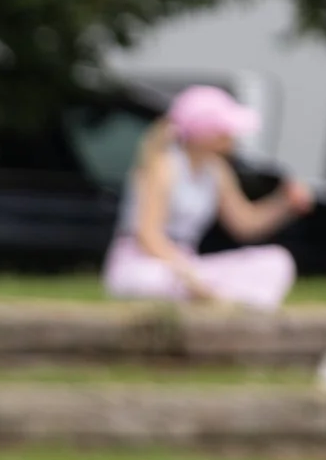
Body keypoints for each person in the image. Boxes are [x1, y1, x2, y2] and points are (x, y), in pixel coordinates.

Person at [104, 85, 311, 310]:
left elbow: (245, 224)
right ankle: (220, 298)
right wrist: (184, 270)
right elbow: (148, 236)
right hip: (147, 263)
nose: (233, 136)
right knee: (159, 279)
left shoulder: (216, 170)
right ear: (205, 132)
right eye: (225, 129)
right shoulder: (163, 166)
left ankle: (221, 300)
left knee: (277, 262)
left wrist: (284, 203)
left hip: (188, 264)